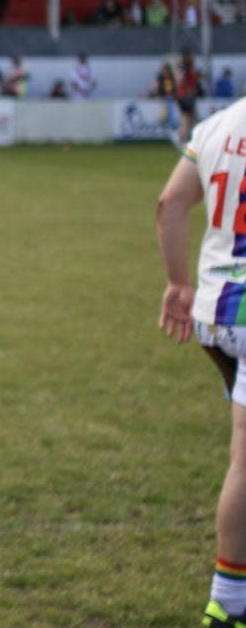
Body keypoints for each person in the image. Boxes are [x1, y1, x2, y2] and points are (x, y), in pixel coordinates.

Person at [156, 96, 246, 628]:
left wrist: (176, 283)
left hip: (217, 315)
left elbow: (169, 203)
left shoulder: (216, 125)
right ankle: (229, 601)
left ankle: (230, 598)